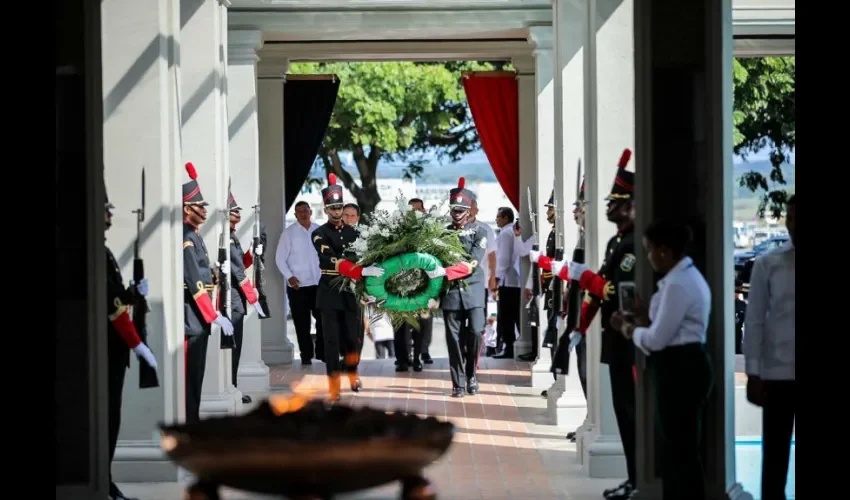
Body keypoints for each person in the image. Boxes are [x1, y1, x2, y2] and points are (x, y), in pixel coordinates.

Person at [531, 153, 638, 500]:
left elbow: (611, 289)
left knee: (633, 413)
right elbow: (599, 287)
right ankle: (635, 478)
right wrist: (577, 324)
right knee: (623, 412)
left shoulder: (632, 246)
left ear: (632, 207)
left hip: (630, 342)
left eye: (616, 203)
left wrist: (582, 278)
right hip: (615, 339)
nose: (608, 208)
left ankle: (640, 479)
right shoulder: (615, 242)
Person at [610, 220, 713, 500]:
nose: (649, 257)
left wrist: (628, 329)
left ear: (665, 251)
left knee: (680, 449)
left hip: (680, 366)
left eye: (650, 251)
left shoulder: (679, 284)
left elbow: (657, 339)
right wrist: (645, 318)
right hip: (678, 364)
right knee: (676, 446)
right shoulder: (681, 278)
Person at [105, 182, 157, 500]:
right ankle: (103, 481)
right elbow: (111, 307)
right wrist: (138, 344)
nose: (110, 215)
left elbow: (117, 297)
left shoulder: (104, 250)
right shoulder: (95, 250)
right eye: (106, 210)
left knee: (113, 416)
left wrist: (133, 292)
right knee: (107, 417)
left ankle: (105, 479)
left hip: (115, 349)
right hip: (109, 348)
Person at [311, 173, 385, 400]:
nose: (336, 211)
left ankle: (353, 374)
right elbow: (331, 259)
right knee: (331, 341)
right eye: (332, 208)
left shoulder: (356, 232)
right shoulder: (319, 234)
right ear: (325, 209)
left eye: (339, 207)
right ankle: (334, 384)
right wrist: (359, 271)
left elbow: (368, 257)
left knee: (354, 338)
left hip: (352, 292)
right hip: (330, 292)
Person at [743, 194, 795, 500]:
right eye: (790, 218)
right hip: (778, 375)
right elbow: (755, 321)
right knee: (775, 459)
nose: (793, 224)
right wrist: (753, 372)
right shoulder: (767, 264)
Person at [182, 162, 234, 423]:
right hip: (191, 318)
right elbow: (194, 281)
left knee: (197, 373)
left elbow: (205, 274)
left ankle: (193, 416)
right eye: (199, 206)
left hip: (199, 318)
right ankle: (189, 420)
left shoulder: (195, 235)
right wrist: (212, 314)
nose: (204, 211)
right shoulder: (186, 238)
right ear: (186, 208)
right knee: (189, 376)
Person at [432, 177, 488, 398]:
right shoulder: (442, 233)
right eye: (454, 209)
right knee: (453, 339)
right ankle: (458, 382)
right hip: (451, 293)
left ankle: (471, 373)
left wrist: (445, 271)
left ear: (468, 210)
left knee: (475, 331)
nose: (456, 213)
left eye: (461, 209)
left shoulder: (479, 232)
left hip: (473, 289)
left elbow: (472, 263)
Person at [226, 188, 267, 404]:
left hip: (236, 300)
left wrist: (252, 253)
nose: (238, 214)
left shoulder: (232, 236)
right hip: (233, 301)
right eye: (234, 211)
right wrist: (254, 299)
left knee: (236, 349)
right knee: (233, 349)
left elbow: (241, 263)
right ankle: (232, 387)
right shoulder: (229, 239)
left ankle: (234, 386)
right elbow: (239, 274)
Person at [276, 201, 323, 364]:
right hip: (298, 286)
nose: (303, 214)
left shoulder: (319, 230)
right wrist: (289, 276)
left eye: (305, 210)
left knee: (323, 320)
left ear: (310, 212)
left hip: (319, 284)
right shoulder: (288, 234)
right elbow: (280, 259)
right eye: (299, 212)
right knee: (302, 323)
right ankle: (306, 355)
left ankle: (322, 353)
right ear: (295, 215)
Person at [396, 197, 434, 366]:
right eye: (411, 210)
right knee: (401, 324)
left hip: (422, 284)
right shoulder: (395, 232)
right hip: (400, 284)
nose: (414, 213)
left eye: (418, 210)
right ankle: (403, 359)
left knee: (422, 323)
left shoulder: (430, 232)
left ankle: (419, 355)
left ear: (423, 211)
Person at [493, 206, 521, 359]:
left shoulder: (505, 233)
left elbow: (503, 259)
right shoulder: (510, 232)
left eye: (498, 217)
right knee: (513, 315)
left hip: (508, 281)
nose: (496, 219)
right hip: (513, 281)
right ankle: (510, 345)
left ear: (505, 218)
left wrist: (497, 278)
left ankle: (509, 347)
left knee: (507, 316)